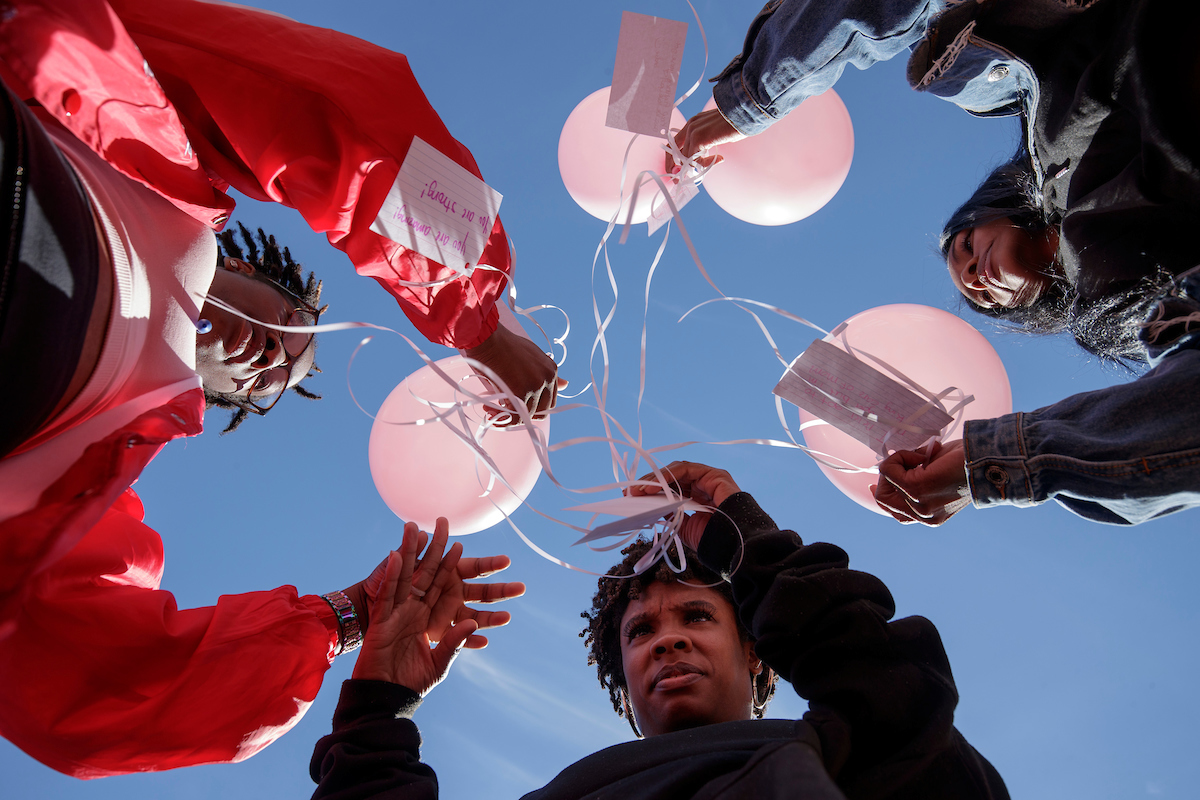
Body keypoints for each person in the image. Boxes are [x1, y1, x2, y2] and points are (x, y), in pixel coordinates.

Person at [0, 0, 558, 778]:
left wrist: (344, 619)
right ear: (247, 266)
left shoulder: (83, 466)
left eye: (268, 382)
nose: (271, 356)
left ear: (212, 399)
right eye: (290, 328)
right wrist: (476, 319)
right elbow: (343, 102)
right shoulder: (145, 146)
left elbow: (87, 692)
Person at [308, 462, 1010, 799]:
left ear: (759, 656)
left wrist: (748, 545)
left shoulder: (838, 753)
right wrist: (377, 707)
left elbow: (896, 699)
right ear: (622, 683)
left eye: (698, 616)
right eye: (641, 631)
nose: (667, 639)